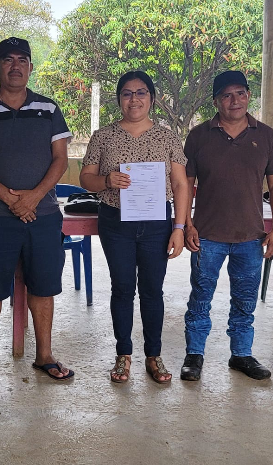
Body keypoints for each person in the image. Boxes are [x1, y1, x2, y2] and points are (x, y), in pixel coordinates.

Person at [0, 37, 74, 385]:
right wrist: (11, 200)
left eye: (23, 60)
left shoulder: (49, 109)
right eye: (8, 60)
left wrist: (34, 198)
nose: (16, 66)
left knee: (44, 285)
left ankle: (45, 356)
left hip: (43, 215)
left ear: (31, 67)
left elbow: (60, 160)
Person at [80, 70, 190, 384]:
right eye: (127, 93)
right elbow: (85, 179)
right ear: (119, 100)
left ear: (152, 98)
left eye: (141, 92)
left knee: (153, 290)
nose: (134, 99)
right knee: (123, 288)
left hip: (157, 223)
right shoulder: (103, 135)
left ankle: (153, 355)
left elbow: (181, 184)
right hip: (116, 222)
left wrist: (179, 227)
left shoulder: (167, 136)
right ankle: (123, 354)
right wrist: (105, 180)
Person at [180, 70, 273, 382]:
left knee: (245, 300)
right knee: (200, 298)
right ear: (216, 101)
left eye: (240, 93)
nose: (234, 100)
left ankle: (241, 354)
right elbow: (185, 183)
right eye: (226, 95)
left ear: (248, 96)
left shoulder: (266, 136)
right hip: (207, 235)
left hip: (250, 237)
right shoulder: (199, 136)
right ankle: (194, 355)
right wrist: (186, 224)